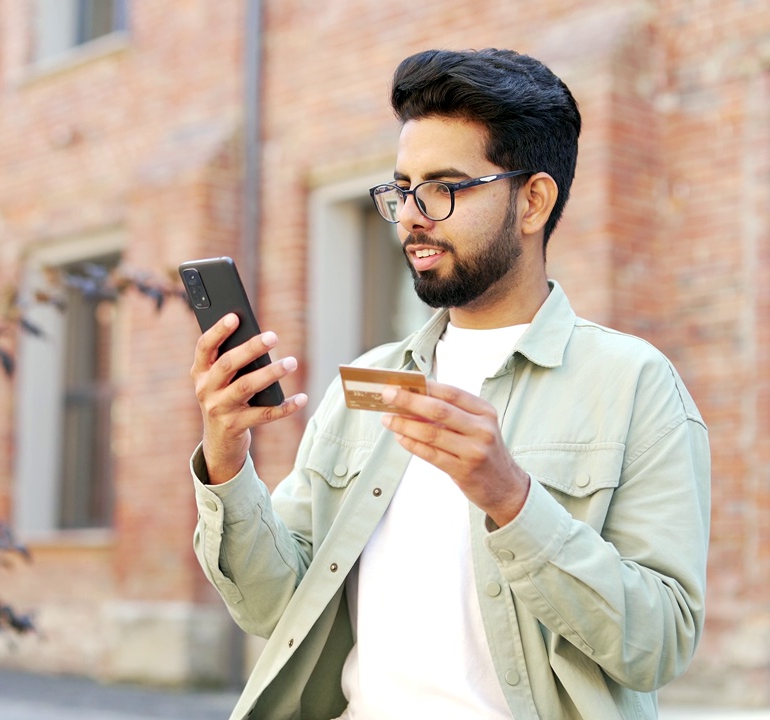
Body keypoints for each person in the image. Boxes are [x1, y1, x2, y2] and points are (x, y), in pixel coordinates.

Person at [188, 48, 711, 720]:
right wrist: (228, 462)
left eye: (443, 188)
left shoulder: (636, 385)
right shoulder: (368, 384)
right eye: (402, 189)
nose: (410, 214)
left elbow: (660, 645)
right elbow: (274, 607)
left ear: (533, 201)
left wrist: (512, 500)